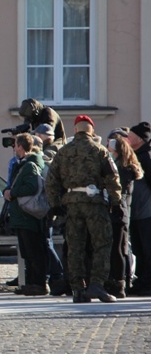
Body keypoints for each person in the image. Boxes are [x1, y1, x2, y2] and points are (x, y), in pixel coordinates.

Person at [46, 115, 121, 303]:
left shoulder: (63, 152)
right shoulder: (100, 150)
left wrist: (55, 204)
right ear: (92, 131)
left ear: (75, 130)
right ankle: (97, 284)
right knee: (101, 244)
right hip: (94, 203)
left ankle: (78, 289)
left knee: (75, 246)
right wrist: (115, 201)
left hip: (72, 204)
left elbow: (51, 181)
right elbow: (113, 178)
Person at [3, 133, 49, 296]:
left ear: (21, 147)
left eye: (15, 144)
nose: (13, 148)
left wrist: (12, 192)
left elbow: (31, 187)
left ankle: (38, 284)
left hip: (28, 216)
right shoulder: (23, 164)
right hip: (22, 216)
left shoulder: (30, 166)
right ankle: (31, 283)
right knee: (27, 253)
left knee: (34, 252)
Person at [106, 134, 143, 298]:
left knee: (119, 249)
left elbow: (118, 192)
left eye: (110, 150)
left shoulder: (123, 169)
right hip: (122, 212)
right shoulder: (126, 167)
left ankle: (120, 282)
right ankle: (122, 281)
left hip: (119, 212)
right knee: (120, 249)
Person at [126, 121, 151, 296]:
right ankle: (142, 280)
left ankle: (147, 282)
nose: (128, 137)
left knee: (147, 248)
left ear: (139, 138)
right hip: (136, 212)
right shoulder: (135, 155)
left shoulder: (146, 157)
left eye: (131, 135)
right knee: (138, 249)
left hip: (146, 212)